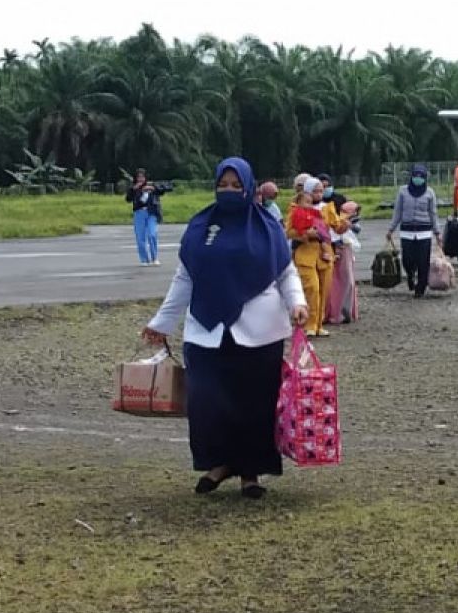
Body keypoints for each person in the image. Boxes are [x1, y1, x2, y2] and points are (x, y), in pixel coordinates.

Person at [142, 157, 308, 500]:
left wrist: (297, 303)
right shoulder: (202, 225)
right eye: (223, 185)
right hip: (205, 330)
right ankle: (218, 463)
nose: (229, 191)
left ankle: (250, 472)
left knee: (254, 404)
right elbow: (184, 277)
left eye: (236, 186)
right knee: (207, 401)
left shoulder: (267, 227)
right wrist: (161, 322)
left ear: (249, 188)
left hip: (260, 332)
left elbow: (285, 272)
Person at [286, 178, 349, 337]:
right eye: (316, 191)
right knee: (311, 288)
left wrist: (346, 223)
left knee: (323, 290)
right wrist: (306, 234)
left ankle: (319, 324)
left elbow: (338, 227)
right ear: (307, 192)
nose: (319, 194)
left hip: (325, 254)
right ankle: (309, 324)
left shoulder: (328, 208)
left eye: (321, 190)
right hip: (305, 252)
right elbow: (289, 232)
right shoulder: (296, 209)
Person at [388, 164, 441, 298]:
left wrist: (437, 232)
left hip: (424, 232)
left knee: (423, 262)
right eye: (416, 176)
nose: (418, 179)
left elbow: (433, 213)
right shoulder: (403, 191)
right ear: (411, 177)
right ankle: (411, 275)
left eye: (421, 176)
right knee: (407, 259)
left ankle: (420, 288)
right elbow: (398, 212)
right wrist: (391, 229)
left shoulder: (430, 192)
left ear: (425, 178)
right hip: (407, 231)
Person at [326, 200, 361, 325]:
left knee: (346, 283)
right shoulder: (338, 221)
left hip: (346, 252)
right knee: (342, 283)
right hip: (339, 252)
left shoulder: (350, 222)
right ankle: (338, 312)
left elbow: (356, 230)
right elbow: (335, 235)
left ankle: (344, 311)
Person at [125, 168, 162, 266]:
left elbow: (161, 190)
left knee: (152, 234)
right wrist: (134, 189)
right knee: (140, 237)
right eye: (138, 177)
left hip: (151, 212)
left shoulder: (150, 185)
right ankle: (144, 259)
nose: (140, 179)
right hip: (139, 213)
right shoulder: (134, 188)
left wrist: (153, 188)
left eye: (142, 177)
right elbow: (128, 199)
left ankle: (155, 258)